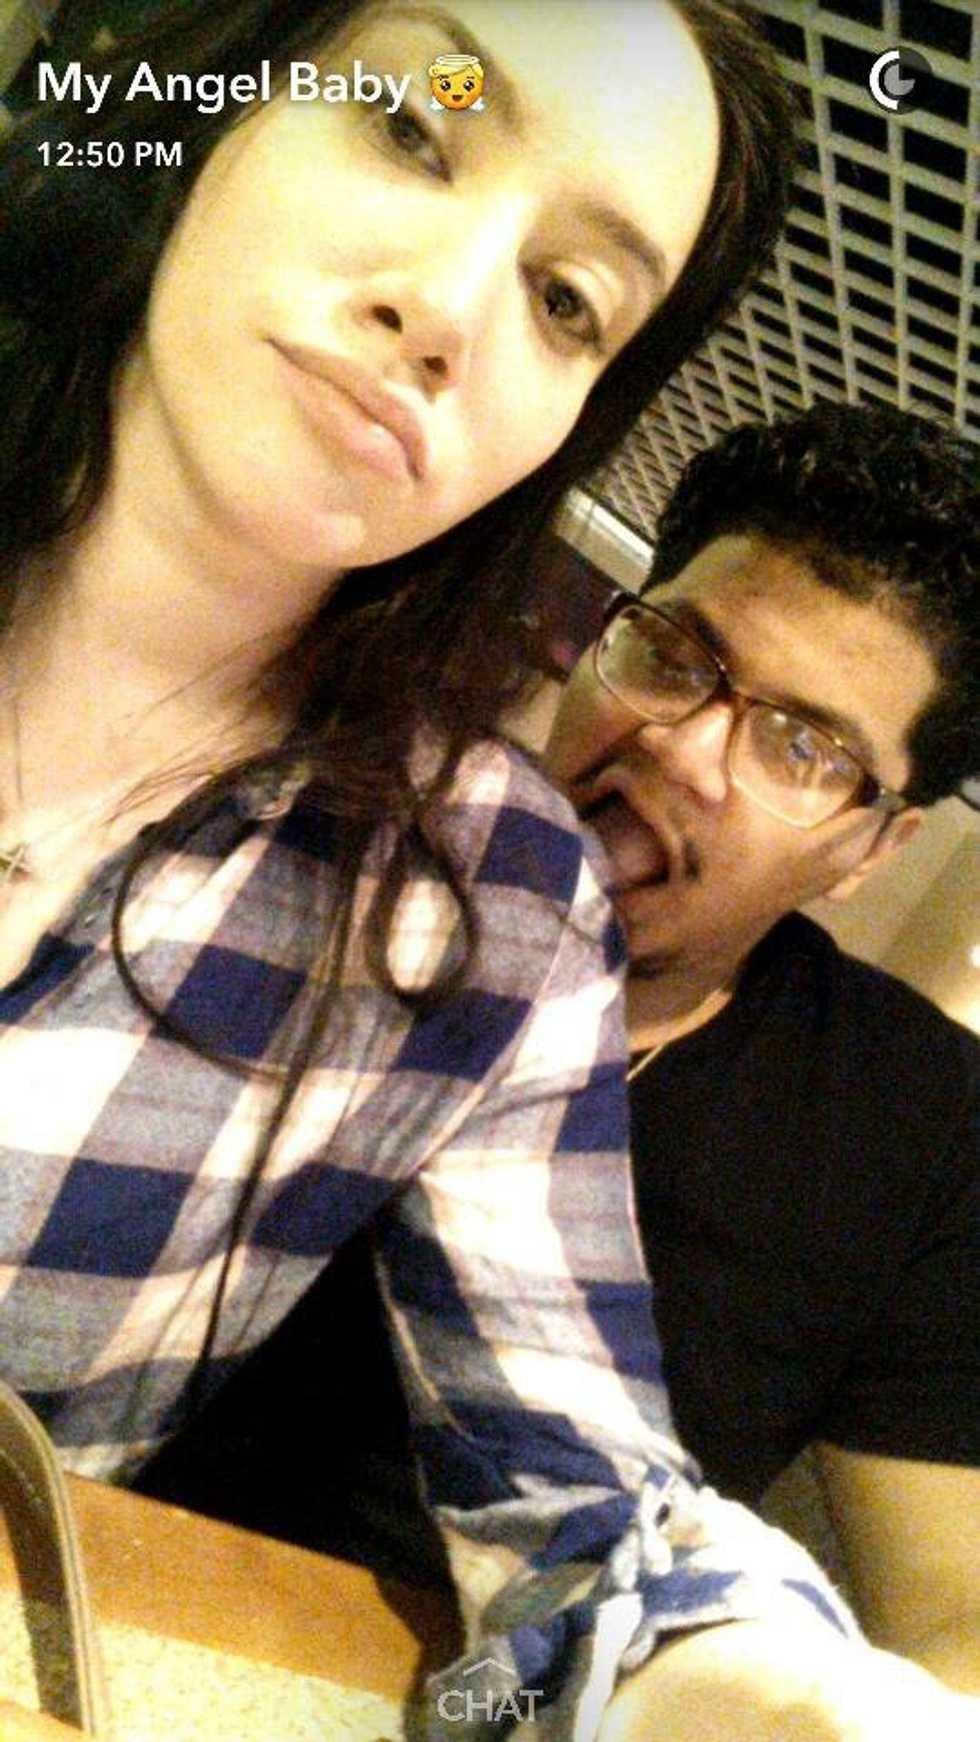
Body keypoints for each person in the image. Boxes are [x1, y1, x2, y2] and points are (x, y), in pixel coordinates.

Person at [0, 1, 973, 1736]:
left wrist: (775, 1695)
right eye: (411, 122)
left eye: (567, 299)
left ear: (877, 846)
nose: (447, 309)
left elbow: (593, 1500)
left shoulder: (496, 904)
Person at [542, 400, 980, 1694]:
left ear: (871, 849)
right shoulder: (324, 851)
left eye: (803, 746)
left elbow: (954, 1622)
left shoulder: (919, 1128)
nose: (681, 748)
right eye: (673, 653)